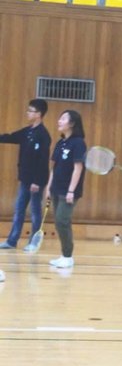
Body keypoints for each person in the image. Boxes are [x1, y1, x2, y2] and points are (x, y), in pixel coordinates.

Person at [0, 99, 51, 252]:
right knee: (19, 210)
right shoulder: (27, 132)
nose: (27, 113)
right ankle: (12, 241)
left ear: (38, 114)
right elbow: (10, 137)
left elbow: (43, 161)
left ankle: (33, 242)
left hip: (36, 182)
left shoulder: (43, 135)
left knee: (35, 212)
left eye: (30, 111)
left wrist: (37, 181)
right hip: (25, 180)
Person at [46, 110, 87, 269]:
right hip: (56, 188)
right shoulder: (60, 142)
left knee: (62, 221)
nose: (59, 121)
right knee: (60, 222)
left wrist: (71, 191)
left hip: (68, 191)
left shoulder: (78, 143)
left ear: (72, 124)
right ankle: (64, 255)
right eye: (60, 118)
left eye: (63, 118)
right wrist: (49, 187)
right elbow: (54, 167)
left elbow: (78, 168)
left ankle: (68, 257)